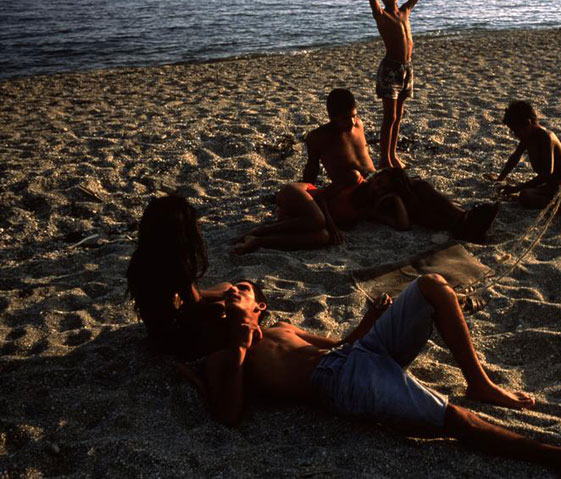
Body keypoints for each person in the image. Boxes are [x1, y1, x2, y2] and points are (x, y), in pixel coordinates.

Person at [178, 274, 561, 478]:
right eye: (229, 293)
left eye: (243, 290)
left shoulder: (282, 328)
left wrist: (371, 319)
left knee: (431, 284)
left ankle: (480, 381)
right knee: (454, 422)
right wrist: (238, 346)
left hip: (355, 354)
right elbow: (230, 414)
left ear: (261, 308)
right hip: (338, 385)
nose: (233, 290)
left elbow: (339, 344)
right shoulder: (225, 357)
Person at [304, 88, 500, 243]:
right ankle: (461, 222)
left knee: (417, 187)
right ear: (332, 117)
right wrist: (303, 196)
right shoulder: (319, 138)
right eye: (346, 118)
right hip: (358, 188)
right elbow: (311, 172)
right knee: (411, 204)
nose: (352, 121)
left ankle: (462, 218)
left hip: (378, 177)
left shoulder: (358, 125)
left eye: (354, 115)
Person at [126, 195, 268, 359]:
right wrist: (224, 304)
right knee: (227, 311)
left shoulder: (142, 258)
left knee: (226, 286)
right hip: (176, 340)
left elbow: (176, 297)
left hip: (159, 329)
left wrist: (224, 294)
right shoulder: (175, 265)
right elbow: (196, 310)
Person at [230, 170, 410, 254]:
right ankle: (260, 230)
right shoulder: (354, 177)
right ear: (375, 177)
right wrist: (332, 226)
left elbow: (402, 225)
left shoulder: (367, 209)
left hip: (301, 218)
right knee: (320, 223)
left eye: (384, 190)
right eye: (379, 183)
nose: (377, 189)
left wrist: (396, 199)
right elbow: (322, 197)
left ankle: (259, 241)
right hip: (300, 193)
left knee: (323, 237)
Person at [368, 0, 425, 169]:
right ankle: (384, 159)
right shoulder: (381, 15)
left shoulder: (405, 11)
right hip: (390, 69)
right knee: (390, 116)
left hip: (407, 68)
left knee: (399, 116)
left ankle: (393, 156)